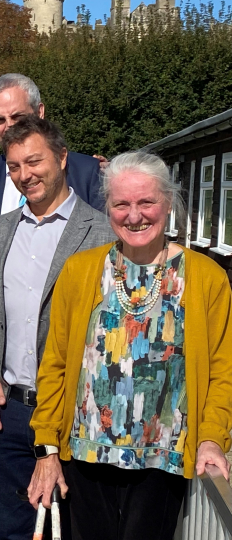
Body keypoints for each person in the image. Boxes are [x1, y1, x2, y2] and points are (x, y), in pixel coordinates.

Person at [28, 152, 232, 540]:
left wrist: (211, 437)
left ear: (168, 203)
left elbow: (224, 369)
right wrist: (47, 447)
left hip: (163, 460)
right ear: (108, 207)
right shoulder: (80, 271)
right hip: (86, 457)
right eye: (121, 204)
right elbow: (54, 365)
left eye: (146, 202)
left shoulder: (207, 278)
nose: (134, 215)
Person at [0, 116, 114, 540]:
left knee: (74, 530)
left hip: (73, 417)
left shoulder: (102, 233)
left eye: (34, 161)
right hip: (6, 415)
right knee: (15, 530)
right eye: (14, 166)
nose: (25, 175)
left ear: (62, 158)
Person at [0, 74, 105, 400]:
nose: (8, 127)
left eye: (17, 117)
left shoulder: (87, 172)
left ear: (40, 112)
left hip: (73, 385)